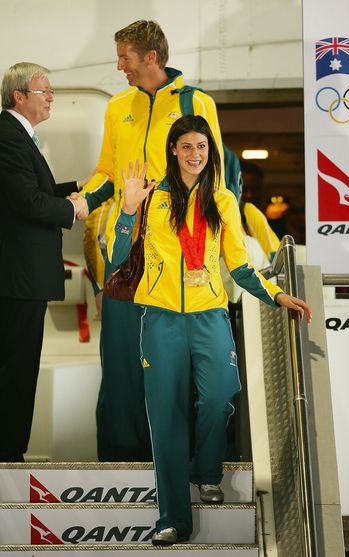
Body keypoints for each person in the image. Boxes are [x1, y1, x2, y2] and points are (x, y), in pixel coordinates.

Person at [109, 115, 312, 545]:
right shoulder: (150, 197)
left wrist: (275, 295)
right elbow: (117, 258)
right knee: (165, 415)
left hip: (209, 317)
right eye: (186, 147)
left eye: (201, 146)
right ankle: (173, 518)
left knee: (220, 397)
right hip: (160, 318)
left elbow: (239, 263)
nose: (195, 154)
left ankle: (207, 471)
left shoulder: (223, 199)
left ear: (210, 151)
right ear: (173, 151)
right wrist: (127, 210)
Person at [77, 20, 224, 462]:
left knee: (178, 369)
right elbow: (107, 172)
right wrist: (80, 203)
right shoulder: (117, 106)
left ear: (151, 58)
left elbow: (211, 173)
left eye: (125, 57)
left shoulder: (196, 102)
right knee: (121, 363)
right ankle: (121, 460)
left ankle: (183, 463)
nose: (119, 65)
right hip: (123, 254)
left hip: (178, 258)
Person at [0, 62, 89, 462]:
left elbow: (35, 189)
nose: (52, 97)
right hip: (18, 278)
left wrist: (78, 190)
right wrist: (73, 211)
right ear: (19, 96)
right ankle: (8, 457)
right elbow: (27, 202)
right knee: (15, 372)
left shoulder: (20, 136)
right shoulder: (7, 135)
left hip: (22, 278)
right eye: (45, 91)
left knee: (18, 370)